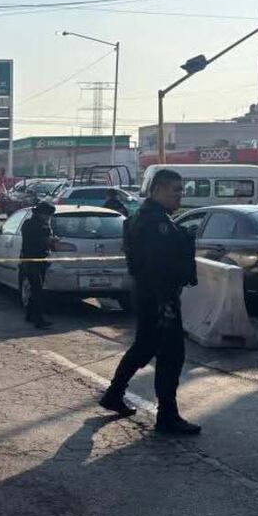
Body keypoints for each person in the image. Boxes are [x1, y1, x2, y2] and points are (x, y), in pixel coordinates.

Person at [99, 169, 201, 435]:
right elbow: (158, 267)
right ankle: (167, 416)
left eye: (181, 190)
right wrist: (165, 302)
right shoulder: (157, 224)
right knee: (170, 356)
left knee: (144, 348)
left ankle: (114, 394)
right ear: (157, 190)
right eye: (174, 190)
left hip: (148, 294)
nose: (179, 196)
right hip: (159, 296)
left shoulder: (143, 217)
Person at [20, 201, 57, 329]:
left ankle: (30, 315)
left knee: (35, 288)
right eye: (47, 215)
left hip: (36, 260)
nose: (48, 217)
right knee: (37, 290)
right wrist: (51, 240)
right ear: (41, 214)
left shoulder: (35, 224)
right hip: (33, 261)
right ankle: (38, 319)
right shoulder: (37, 226)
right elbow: (42, 241)